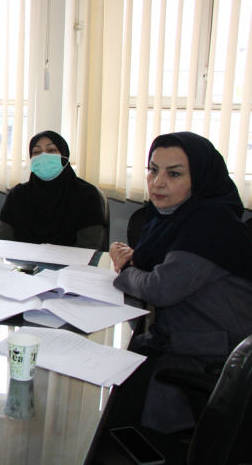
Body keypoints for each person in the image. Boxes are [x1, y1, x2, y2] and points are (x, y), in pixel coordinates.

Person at [108, 132, 252, 434]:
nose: (158, 182)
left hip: (210, 356)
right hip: (182, 339)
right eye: (153, 170)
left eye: (174, 174)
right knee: (105, 367)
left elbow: (160, 288)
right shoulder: (179, 215)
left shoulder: (211, 222)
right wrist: (137, 259)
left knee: (106, 406)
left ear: (200, 178)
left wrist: (126, 271)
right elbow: (167, 263)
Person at [0, 130, 105, 249]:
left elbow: (88, 247)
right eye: (36, 152)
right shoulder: (17, 195)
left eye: (51, 150)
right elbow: (2, 241)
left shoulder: (87, 195)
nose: (43, 156)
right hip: (21, 260)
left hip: (70, 260)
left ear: (64, 156)